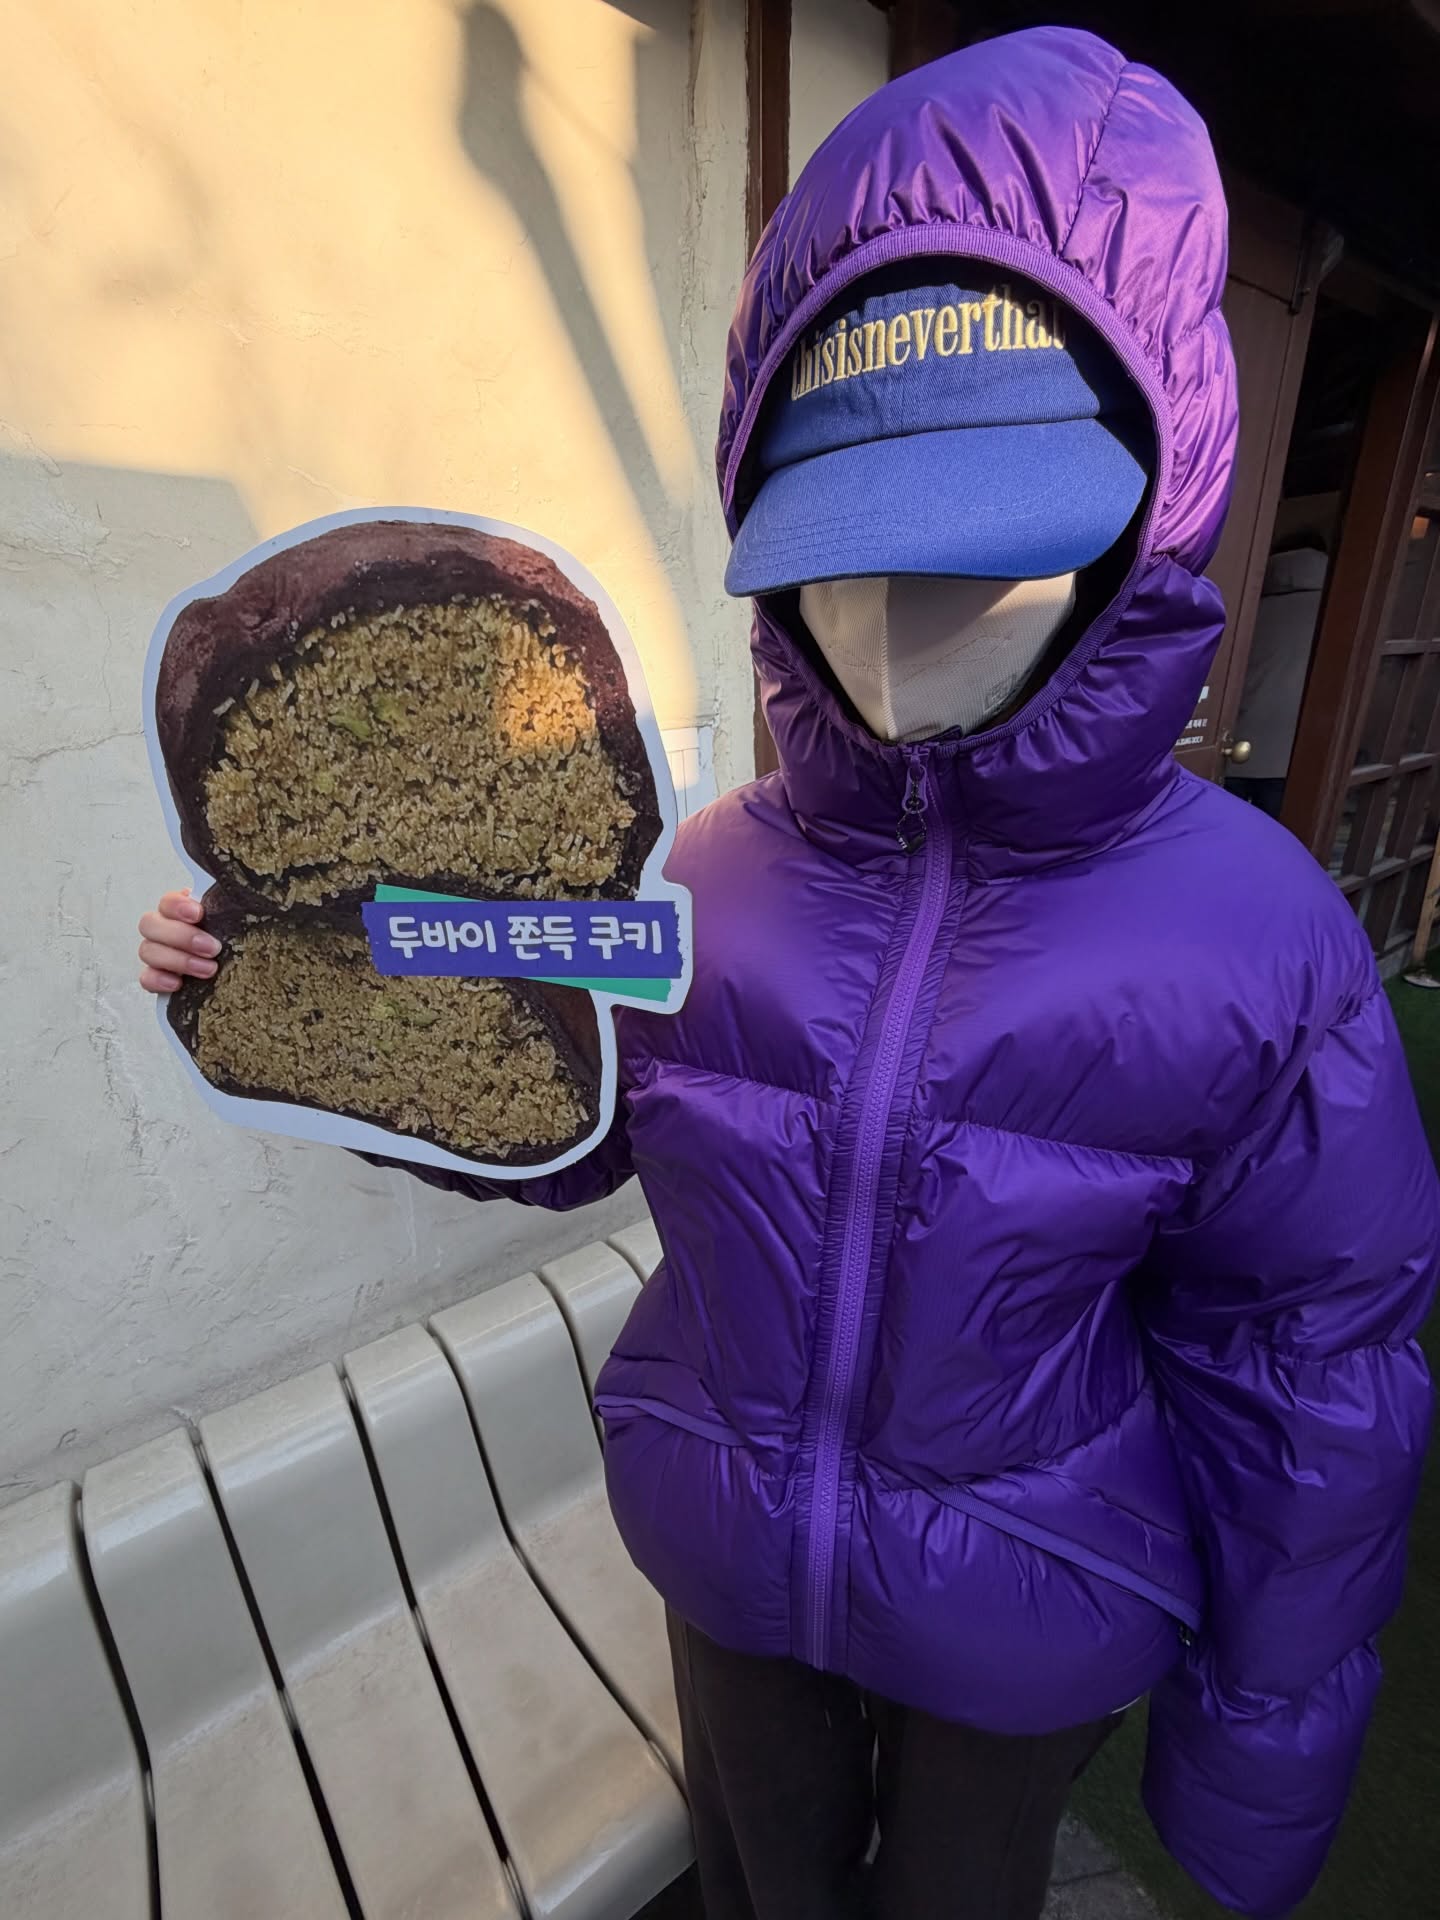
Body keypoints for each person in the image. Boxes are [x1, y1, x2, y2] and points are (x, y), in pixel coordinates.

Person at [138, 28, 1438, 1920]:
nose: (901, 617)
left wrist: (1259, 1753)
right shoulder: (706, 874)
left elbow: (1309, 1364)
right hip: (729, 1559)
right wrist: (272, 995)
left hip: (1028, 1601)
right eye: (849, 553)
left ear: (1146, 510)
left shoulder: (1261, 941)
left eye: (983, 553)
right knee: (761, 1889)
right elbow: (570, 1110)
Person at [1227, 536, 1331, 820]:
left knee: (1221, 828)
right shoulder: (1334, 612)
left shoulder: (1245, 605)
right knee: (1278, 831)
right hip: (1289, 749)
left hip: (1232, 739)